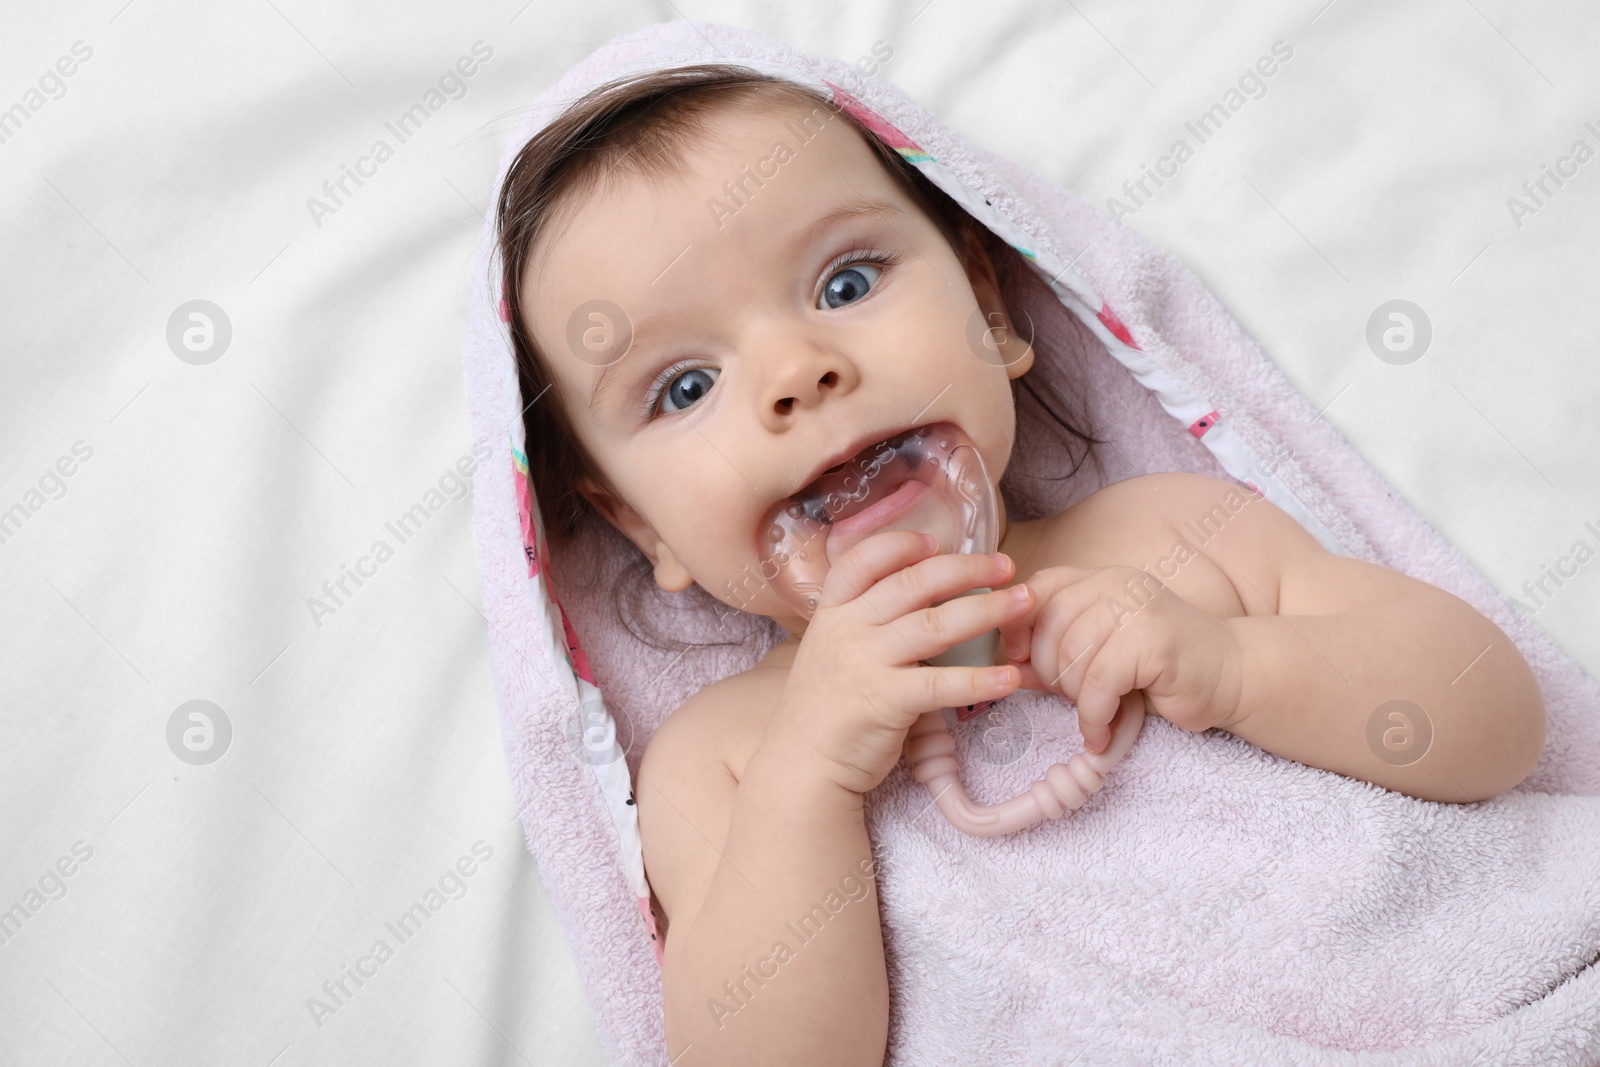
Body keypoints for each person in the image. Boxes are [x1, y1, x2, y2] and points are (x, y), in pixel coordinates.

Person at [493, 64, 1547, 1066]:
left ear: (990, 312)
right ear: (643, 527)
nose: (795, 373)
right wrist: (807, 778)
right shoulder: (724, 755)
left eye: (846, 280)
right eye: (684, 386)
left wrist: (1233, 664)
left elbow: (1495, 721)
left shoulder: (1175, 534)